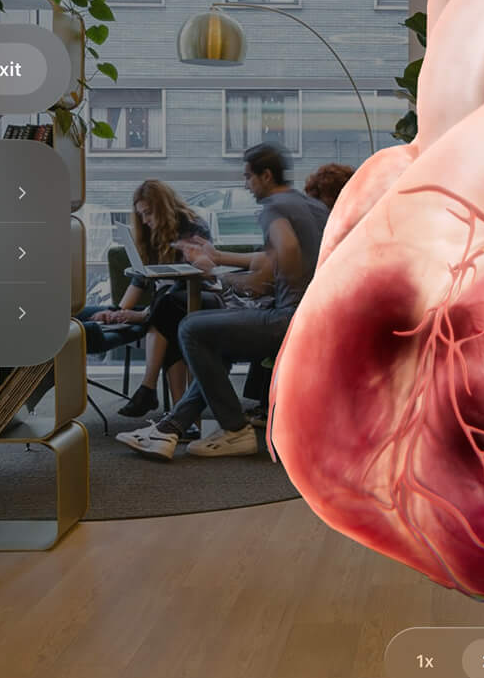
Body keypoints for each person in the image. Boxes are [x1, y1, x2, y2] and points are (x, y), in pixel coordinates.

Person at [117, 143, 328, 460]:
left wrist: (241, 279)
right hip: (314, 319)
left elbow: (284, 253)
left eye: (248, 177)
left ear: (265, 176)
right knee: (215, 341)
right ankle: (170, 428)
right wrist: (218, 258)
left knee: (191, 328)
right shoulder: (308, 206)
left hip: (286, 319)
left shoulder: (273, 207)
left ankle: (234, 429)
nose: (246, 185)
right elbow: (273, 256)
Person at [84, 180, 211, 418]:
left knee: (166, 311)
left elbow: (190, 281)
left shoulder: (193, 227)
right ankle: (179, 412)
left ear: (163, 207)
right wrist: (118, 312)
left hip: (196, 299)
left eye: (149, 213)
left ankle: (149, 390)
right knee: (168, 322)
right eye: (141, 214)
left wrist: (141, 314)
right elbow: (140, 280)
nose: (144, 220)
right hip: (165, 307)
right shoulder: (150, 234)